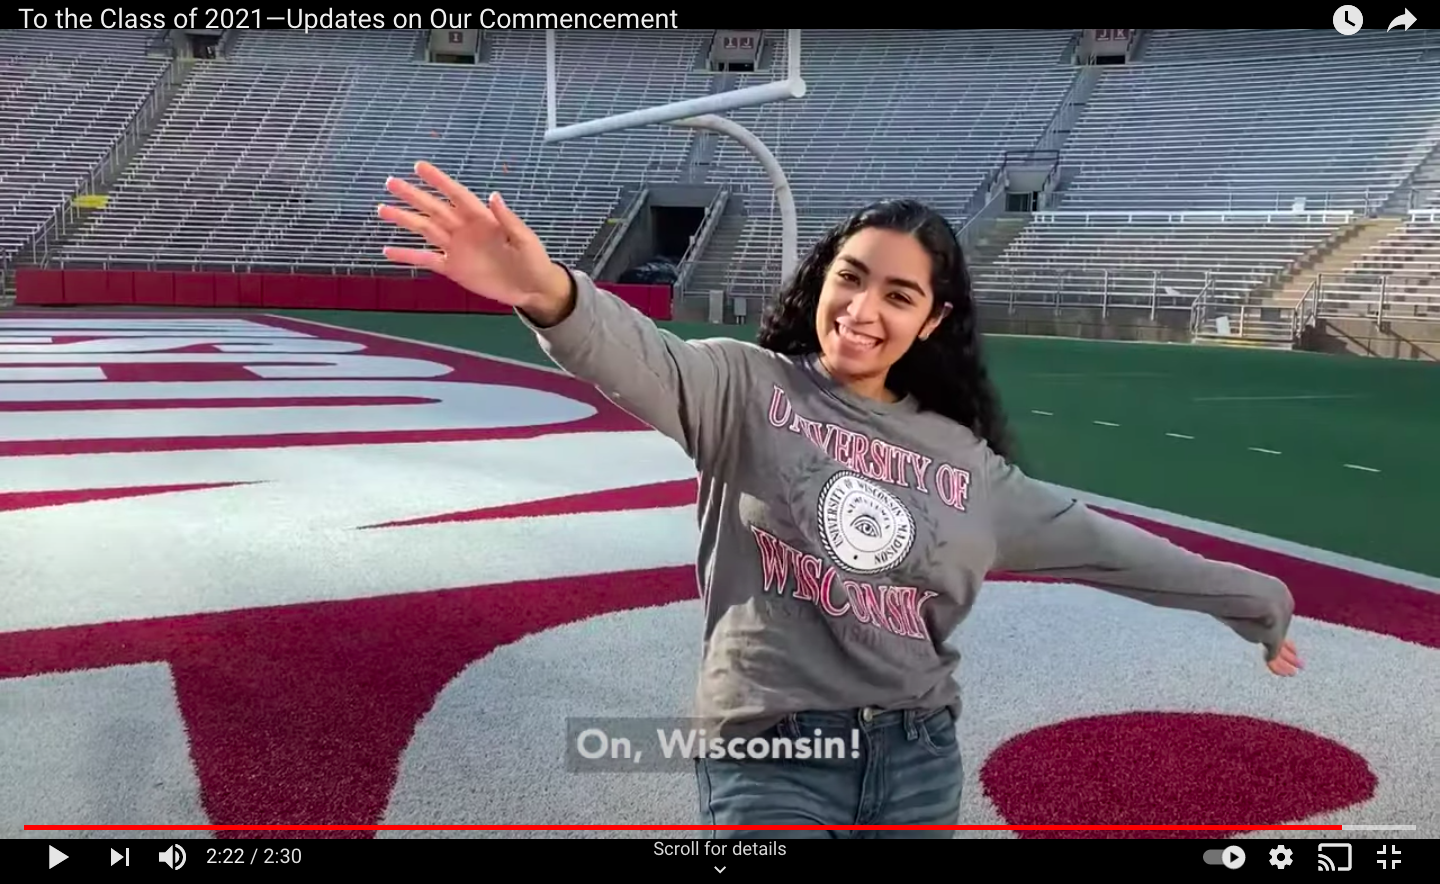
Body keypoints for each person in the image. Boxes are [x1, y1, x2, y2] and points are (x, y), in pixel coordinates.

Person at [377, 161, 1302, 839]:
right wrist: (543, 289)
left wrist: (1260, 606)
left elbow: (1115, 549)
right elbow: (639, 357)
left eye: (899, 295)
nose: (863, 308)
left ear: (931, 320)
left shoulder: (968, 466)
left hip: (916, 758)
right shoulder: (747, 387)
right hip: (770, 751)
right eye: (851, 278)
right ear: (824, 277)